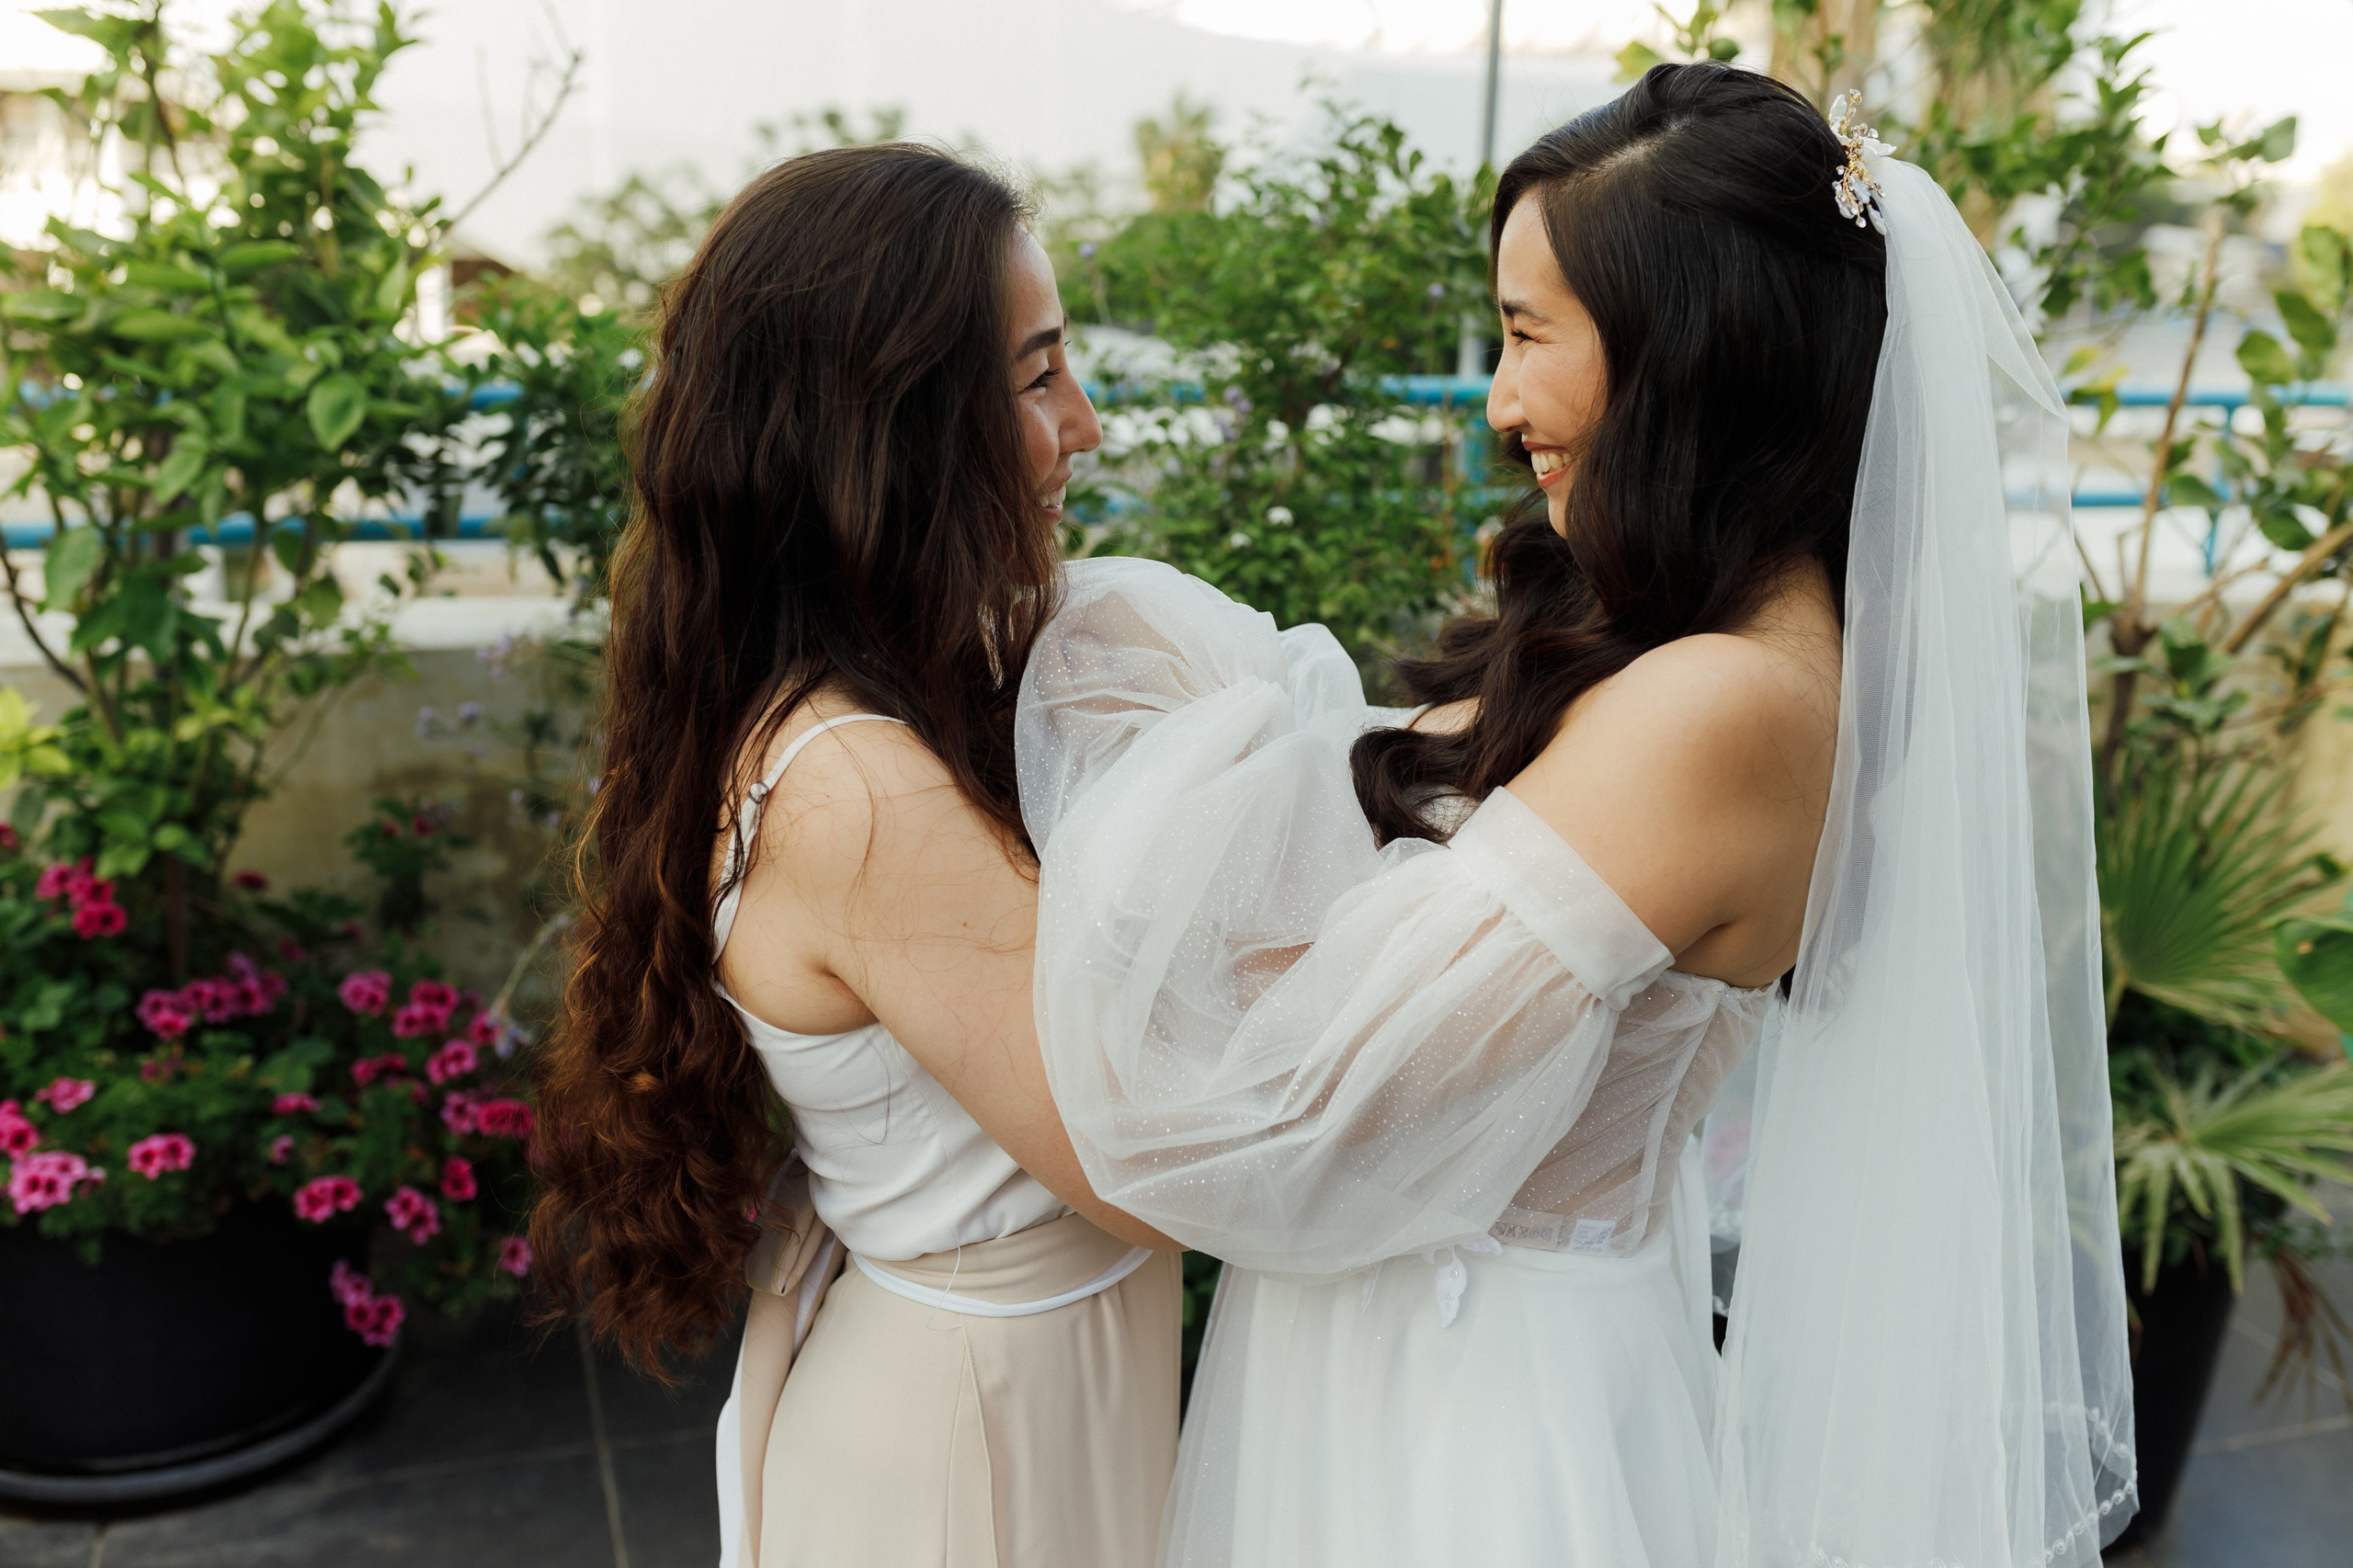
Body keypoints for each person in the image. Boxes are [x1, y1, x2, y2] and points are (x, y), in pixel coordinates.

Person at [1019, 64, 2137, 1567]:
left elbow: (1305, 1119)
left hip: (1480, 1415)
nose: (1495, 402)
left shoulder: (1722, 710)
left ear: (1687, 355)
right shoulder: (1708, 655)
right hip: (1459, 1347)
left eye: (1527, 336)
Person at [529, 144, 1182, 1568]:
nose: (1086, 423)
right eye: (1036, 375)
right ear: (890, 430)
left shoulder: (869, 687)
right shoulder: (860, 791)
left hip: (1021, 1368)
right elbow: (1150, 1157)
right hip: (981, 1435)